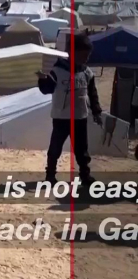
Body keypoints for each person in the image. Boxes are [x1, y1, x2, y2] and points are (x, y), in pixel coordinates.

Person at [36, 33, 101, 186]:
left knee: (82, 149)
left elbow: (92, 93)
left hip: (80, 117)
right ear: (72, 53)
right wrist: (42, 80)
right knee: (55, 148)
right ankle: (50, 175)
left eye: (88, 55)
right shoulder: (57, 71)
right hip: (61, 117)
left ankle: (85, 175)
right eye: (83, 55)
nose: (86, 58)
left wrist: (97, 112)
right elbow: (47, 89)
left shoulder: (87, 72)